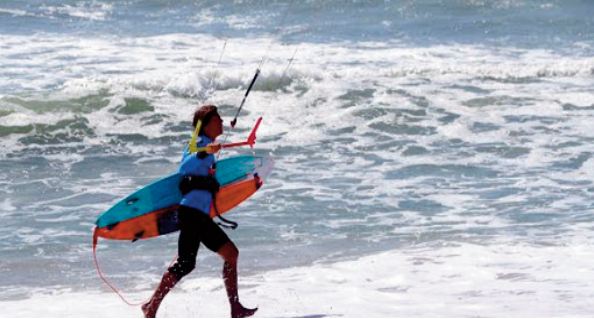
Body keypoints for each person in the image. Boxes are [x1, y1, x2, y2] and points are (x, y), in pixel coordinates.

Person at [142, 105, 257, 318]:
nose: (222, 121)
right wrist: (206, 152)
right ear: (206, 124)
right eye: (218, 119)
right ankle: (235, 308)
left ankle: (151, 305)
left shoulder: (205, 147)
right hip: (192, 213)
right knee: (229, 254)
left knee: (186, 264)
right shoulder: (198, 146)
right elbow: (187, 165)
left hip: (194, 214)